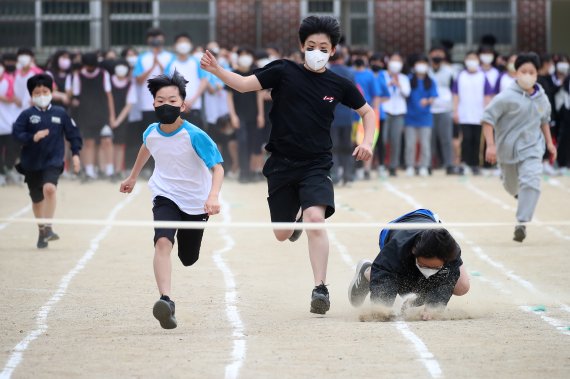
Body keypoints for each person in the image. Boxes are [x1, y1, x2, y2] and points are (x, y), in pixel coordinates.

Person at [201, 15, 376, 314]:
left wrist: (367, 142)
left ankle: (320, 288)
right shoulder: (283, 70)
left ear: (333, 50)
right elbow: (244, 85)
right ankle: (293, 221)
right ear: (301, 46)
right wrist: (218, 70)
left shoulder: (339, 84)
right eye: (311, 46)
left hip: (316, 164)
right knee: (282, 234)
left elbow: (368, 112)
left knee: (315, 220)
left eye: (323, 47)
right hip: (281, 164)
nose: (317, 51)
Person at [119, 71, 224, 329]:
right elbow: (147, 146)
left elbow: (218, 167)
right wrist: (133, 177)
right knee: (162, 242)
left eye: (172, 101)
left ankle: (175, 279)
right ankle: (166, 300)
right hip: (164, 194)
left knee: (188, 258)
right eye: (160, 101)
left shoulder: (195, 135)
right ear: (153, 104)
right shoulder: (151, 131)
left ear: (183, 105)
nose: (166, 105)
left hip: (196, 203)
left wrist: (213, 196)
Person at [482, 53, 556, 242]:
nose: (527, 75)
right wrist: (490, 146)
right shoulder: (505, 97)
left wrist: (549, 143)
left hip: (532, 148)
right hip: (507, 151)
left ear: (537, 74)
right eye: (523, 71)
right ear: (516, 73)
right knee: (511, 185)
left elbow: (544, 121)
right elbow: (487, 120)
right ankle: (519, 195)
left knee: (531, 181)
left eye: (531, 72)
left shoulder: (542, 98)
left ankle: (521, 223)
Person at [348, 209, 469, 321]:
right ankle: (367, 271)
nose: (429, 271)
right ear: (414, 252)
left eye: (436, 267)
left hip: (427, 222)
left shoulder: (452, 252)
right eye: (425, 266)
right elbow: (383, 272)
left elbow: (448, 279)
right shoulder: (396, 249)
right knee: (402, 283)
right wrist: (381, 308)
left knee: (462, 286)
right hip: (394, 230)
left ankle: (430, 271)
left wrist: (434, 306)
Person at [12, 74, 82, 248]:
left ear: (51, 92)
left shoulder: (60, 113)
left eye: (45, 91)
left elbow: (73, 134)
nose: (42, 95)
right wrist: (32, 137)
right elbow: (16, 134)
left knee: (49, 189)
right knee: (37, 200)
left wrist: (75, 154)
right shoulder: (26, 115)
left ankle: (49, 227)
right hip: (31, 163)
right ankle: (42, 230)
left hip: (54, 160)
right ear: (31, 95)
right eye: (37, 92)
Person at [70, 52, 115, 180]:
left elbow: (109, 95)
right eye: (88, 66)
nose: (90, 68)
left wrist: (111, 115)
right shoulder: (78, 76)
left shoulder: (103, 74)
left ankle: (110, 171)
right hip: (86, 114)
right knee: (88, 143)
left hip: (103, 113)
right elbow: (76, 95)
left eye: (92, 66)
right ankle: (89, 172)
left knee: (107, 140)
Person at [225, 47, 265, 183]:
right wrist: (233, 116)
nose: (245, 57)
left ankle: (250, 172)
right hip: (239, 114)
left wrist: (261, 115)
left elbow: (259, 95)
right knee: (242, 142)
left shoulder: (255, 74)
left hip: (253, 114)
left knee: (253, 143)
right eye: (242, 54)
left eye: (248, 54)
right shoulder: (233, 74)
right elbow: (229, 97)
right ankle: (243, 173)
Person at [452, 51, 494, 175]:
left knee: (477, 141)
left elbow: (487, 96)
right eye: (469, 58)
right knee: (466, 139)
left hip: (479, 115)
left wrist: (488, 112)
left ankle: (475, 164)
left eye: (474, 58)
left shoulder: (482, 76)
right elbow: (455, 95)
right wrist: (455, 111)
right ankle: (465, 163)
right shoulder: (461, 76)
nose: (472, 61)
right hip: (464, 114)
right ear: (465, 61)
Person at [404, 55, 438, 177]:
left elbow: (434, 96)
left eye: (424, 63)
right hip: (410, 117)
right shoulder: (408, 79)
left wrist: (427, 101)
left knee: (425, 144)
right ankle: (410, 165)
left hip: (425, 118)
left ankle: (424, 165)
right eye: (419, 63)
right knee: (410, 144)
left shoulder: (431, 81)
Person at [169, 33, 208, 130]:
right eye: (180, 42)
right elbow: (166, 84)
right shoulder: (170, 63)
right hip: (175, 107)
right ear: (175, 46)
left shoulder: (196, 62)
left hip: (194, 106)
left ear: (190, 45)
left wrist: (192, 100)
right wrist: (181, 101)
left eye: (185, 42)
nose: (183, 44)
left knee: (193, 138)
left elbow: (204, 81)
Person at [429, 47, 456, 175]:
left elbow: (455, 90)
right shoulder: (426, 70)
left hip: (445, 108)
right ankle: (430, 163)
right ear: (430, 55)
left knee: (446, 138)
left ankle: (449, 164)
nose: (437, 55)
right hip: (429, 109)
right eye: (435, 53)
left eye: (440, 53)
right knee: (431, 139)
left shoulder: (450, 71)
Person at [382, 53, 411, 176]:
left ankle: (393, 166)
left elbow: (407, 93)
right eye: (393, 60)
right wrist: (389, 83)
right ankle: (382, 165)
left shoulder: (404, 78)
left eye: (398, 61)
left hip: (398, 112)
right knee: (382, 139)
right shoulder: (383, 75)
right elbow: (380, 90)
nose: (396, 63)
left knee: (396, 140)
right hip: (385, 110)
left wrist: (398, 84)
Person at [110, 59, 137, 180]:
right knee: (108, 142)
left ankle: (117, 170)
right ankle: (108, 169)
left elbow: (129, 105)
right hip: (107, 116)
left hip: (122, 118)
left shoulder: (130, 84)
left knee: (119, 144)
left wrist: (117, 121)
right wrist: (111, 117)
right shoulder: (108, 81)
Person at [0, 53, 21, 186]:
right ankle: (1, 173)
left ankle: (8, 167)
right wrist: (11, 99)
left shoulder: (11, 78)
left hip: (9, 120)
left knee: (13, 146)